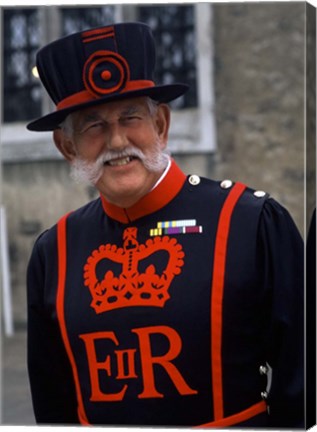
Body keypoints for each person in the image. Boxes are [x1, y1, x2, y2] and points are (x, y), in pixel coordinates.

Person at [26, 22, 304, 428]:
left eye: (131, 117)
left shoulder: (251, 222)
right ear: (67, 146)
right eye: (93, 125)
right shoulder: (54, 252)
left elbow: (304, 386)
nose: (118, 141)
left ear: (161, 125)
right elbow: (54, 409)